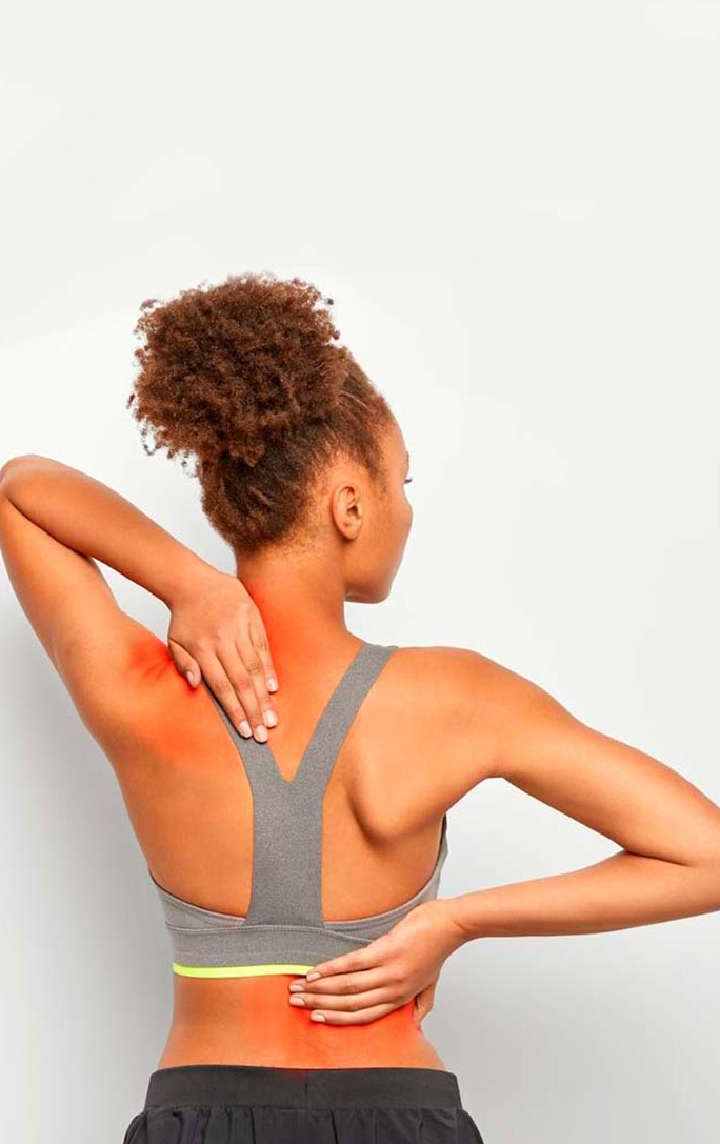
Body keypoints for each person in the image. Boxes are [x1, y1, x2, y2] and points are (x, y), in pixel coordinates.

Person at [1, 273, 719, 1144]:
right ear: (349, 504)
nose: (406, 510)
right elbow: (705, 856)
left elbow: (20, 489)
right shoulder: (456, 698)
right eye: (401, 482)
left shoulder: (141, 687)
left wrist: (185, 583)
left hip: (202, 1110)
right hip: (397, 1109)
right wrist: (455, 921)